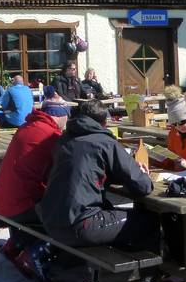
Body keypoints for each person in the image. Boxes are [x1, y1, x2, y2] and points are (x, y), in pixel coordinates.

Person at [39, 99, 160, 255]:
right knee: (150, 220)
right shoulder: (105, 142)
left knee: (118, 215)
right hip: (80, 224)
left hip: (52, 222)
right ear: (104, 123)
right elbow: (143, 186)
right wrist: (142, 173)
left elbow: (85, 171)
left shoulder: (64, 140)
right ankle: (148, 268)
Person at [0, 107, 63, 282]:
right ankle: (33, 256)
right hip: (20, 204)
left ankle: (14, 245)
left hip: (2, 198)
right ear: (61, 117)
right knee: (66, 216)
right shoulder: (52, 135)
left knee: (47, 204)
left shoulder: (28, 125)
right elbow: (65, 169)